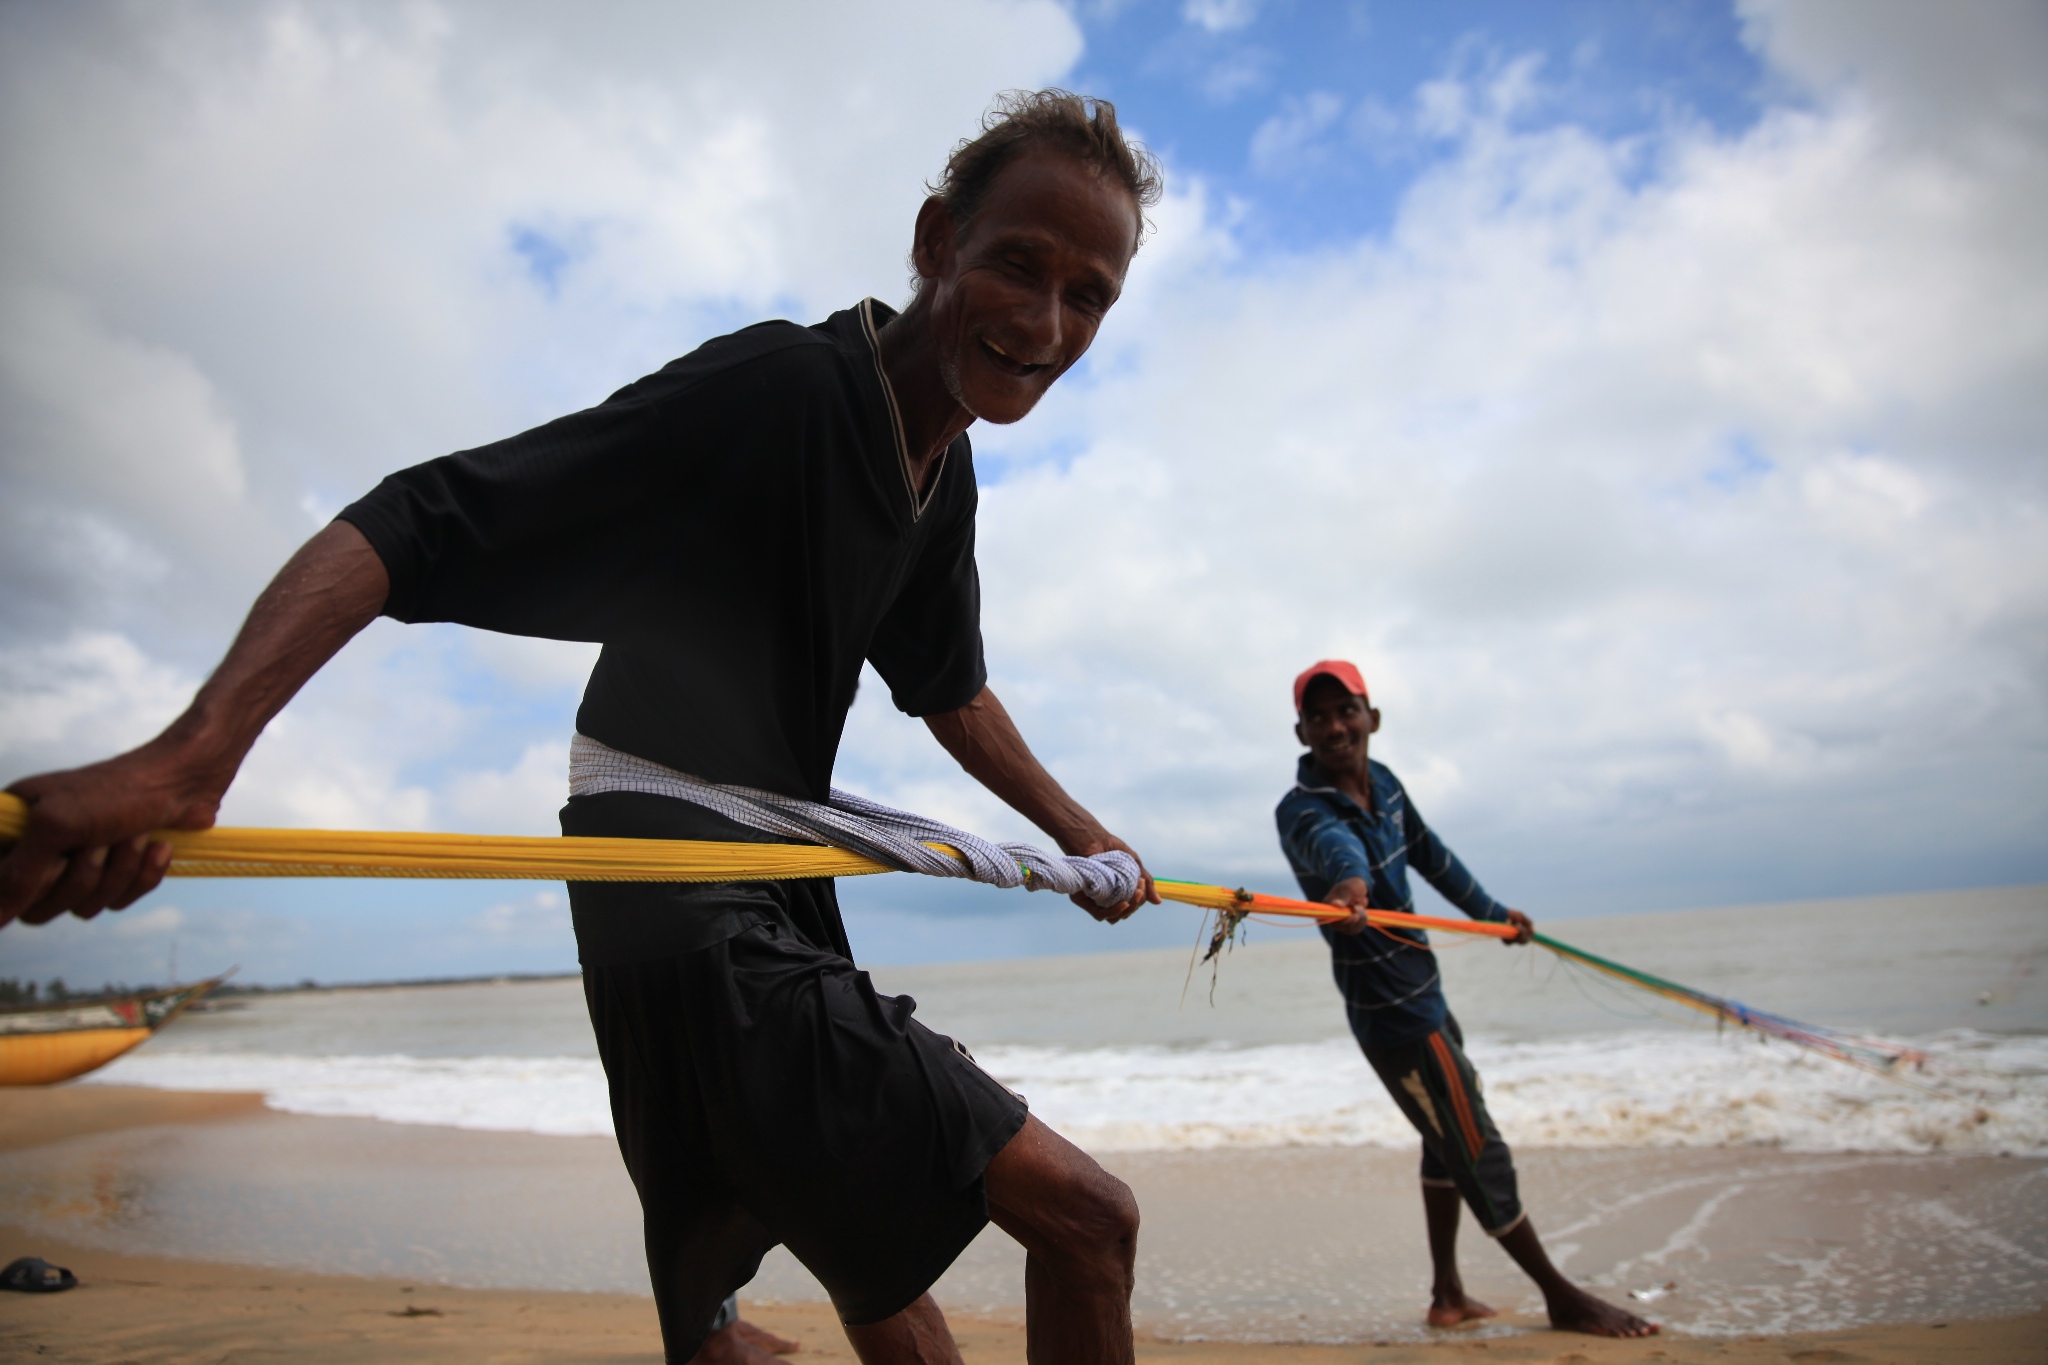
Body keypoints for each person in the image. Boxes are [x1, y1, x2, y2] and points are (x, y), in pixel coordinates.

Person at [0, 90, 1166, 1365]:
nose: (1044, 322)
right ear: (937, 240)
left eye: (1088, 297)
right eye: (1017, 263)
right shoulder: (780, 390)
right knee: (1087, 1223)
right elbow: (425, 517)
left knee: (874, 1294)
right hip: (674, 889)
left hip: (763, 886)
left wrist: (1086, 844)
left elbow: (949, 691)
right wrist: (191, 758)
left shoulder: (941, 478)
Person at [1276, 660, 1656, 1339]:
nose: (1336, 725)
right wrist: (1350, 889)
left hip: (1426, 989)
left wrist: (1494, 915)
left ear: (1372, 717)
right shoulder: (1301, 808)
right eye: (1320, 716)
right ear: (1301, 731)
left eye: (1347, 710)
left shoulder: (1386, 785)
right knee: (1475, 1142)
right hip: (1390, 1012)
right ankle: (1561, 1295)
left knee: (1442, 1134)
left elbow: (1431, 854)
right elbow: (1334, 851)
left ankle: (1447, 1294)